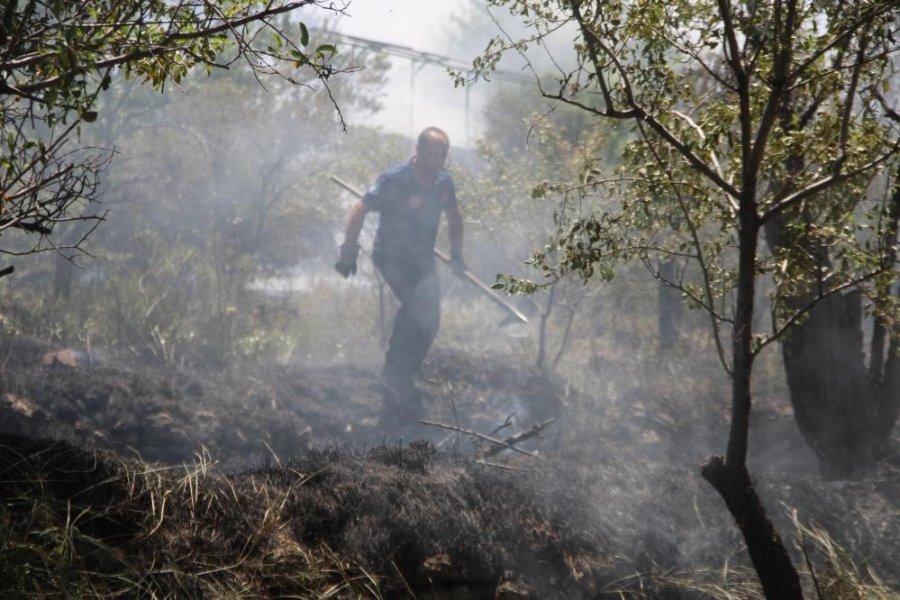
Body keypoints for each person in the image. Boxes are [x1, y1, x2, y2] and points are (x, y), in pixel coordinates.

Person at [335, 127, 464, 420]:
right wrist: (348, 250)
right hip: (391, 255)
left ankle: (403, 373)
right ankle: (392, 373)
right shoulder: (395, 179)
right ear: (418, 152)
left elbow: (454, 217)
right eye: (431, 154)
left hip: (421, 258)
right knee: (416, 307)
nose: (436, 160)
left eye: (441, 155)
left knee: (431, 321)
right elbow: (360, 209)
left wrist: (457, 254)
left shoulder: (444, 182)